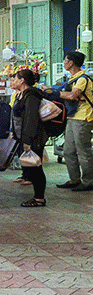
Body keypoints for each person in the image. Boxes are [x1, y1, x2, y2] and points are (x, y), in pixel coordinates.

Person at [11, 69, 48, 206]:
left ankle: (39, 198)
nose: (13, 81)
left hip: (34, 137)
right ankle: (38, 197)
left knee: (36, 168)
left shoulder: (31, 95)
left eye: (15, 78)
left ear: (22, 81)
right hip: (26, 136)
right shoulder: (22, 95)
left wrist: (28, 140)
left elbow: (30, 119)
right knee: (32, 168)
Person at [57, 51, 93, 191]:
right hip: (72, 118)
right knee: (68, 151)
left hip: (83, 118)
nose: (64, 63)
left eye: (65, 60)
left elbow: (73, 95)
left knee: (83, 151)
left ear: (71, 62)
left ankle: (88, 181)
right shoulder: (72, 78)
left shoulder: (82, 79)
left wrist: (56, 93)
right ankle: (74, 179)